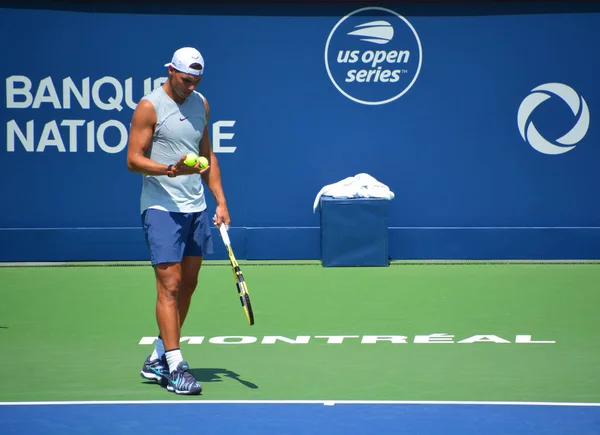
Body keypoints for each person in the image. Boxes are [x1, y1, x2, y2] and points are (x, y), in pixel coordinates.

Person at [126, 47, 230, 395]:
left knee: (188, 283)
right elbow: (133, 160)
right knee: (168, 284)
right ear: (171, 71)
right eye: (186, 79)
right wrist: (170, 170)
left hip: (196, 207)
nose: (191, 85)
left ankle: (158, 356)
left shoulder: (201, 103)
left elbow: (207, 154)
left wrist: (220, 200)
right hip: (161, 207)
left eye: (196, 80)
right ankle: (175, 365)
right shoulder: (149, 106)